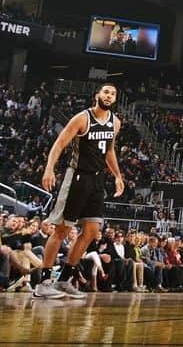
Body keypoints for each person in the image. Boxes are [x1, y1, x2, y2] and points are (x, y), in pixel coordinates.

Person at [34, 83, 125, 299]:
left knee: (92, 231)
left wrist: (118, 176)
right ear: (97, 96)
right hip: (76, 176)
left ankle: (64, 280)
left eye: (113, 93)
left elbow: (109, 151)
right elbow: (59, 143)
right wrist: (49, 169)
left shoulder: (115, 122)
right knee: (62, 229)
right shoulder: (82, 118)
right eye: (106, 92)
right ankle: (43, 282)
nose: (109, 96)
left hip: (97, 180)